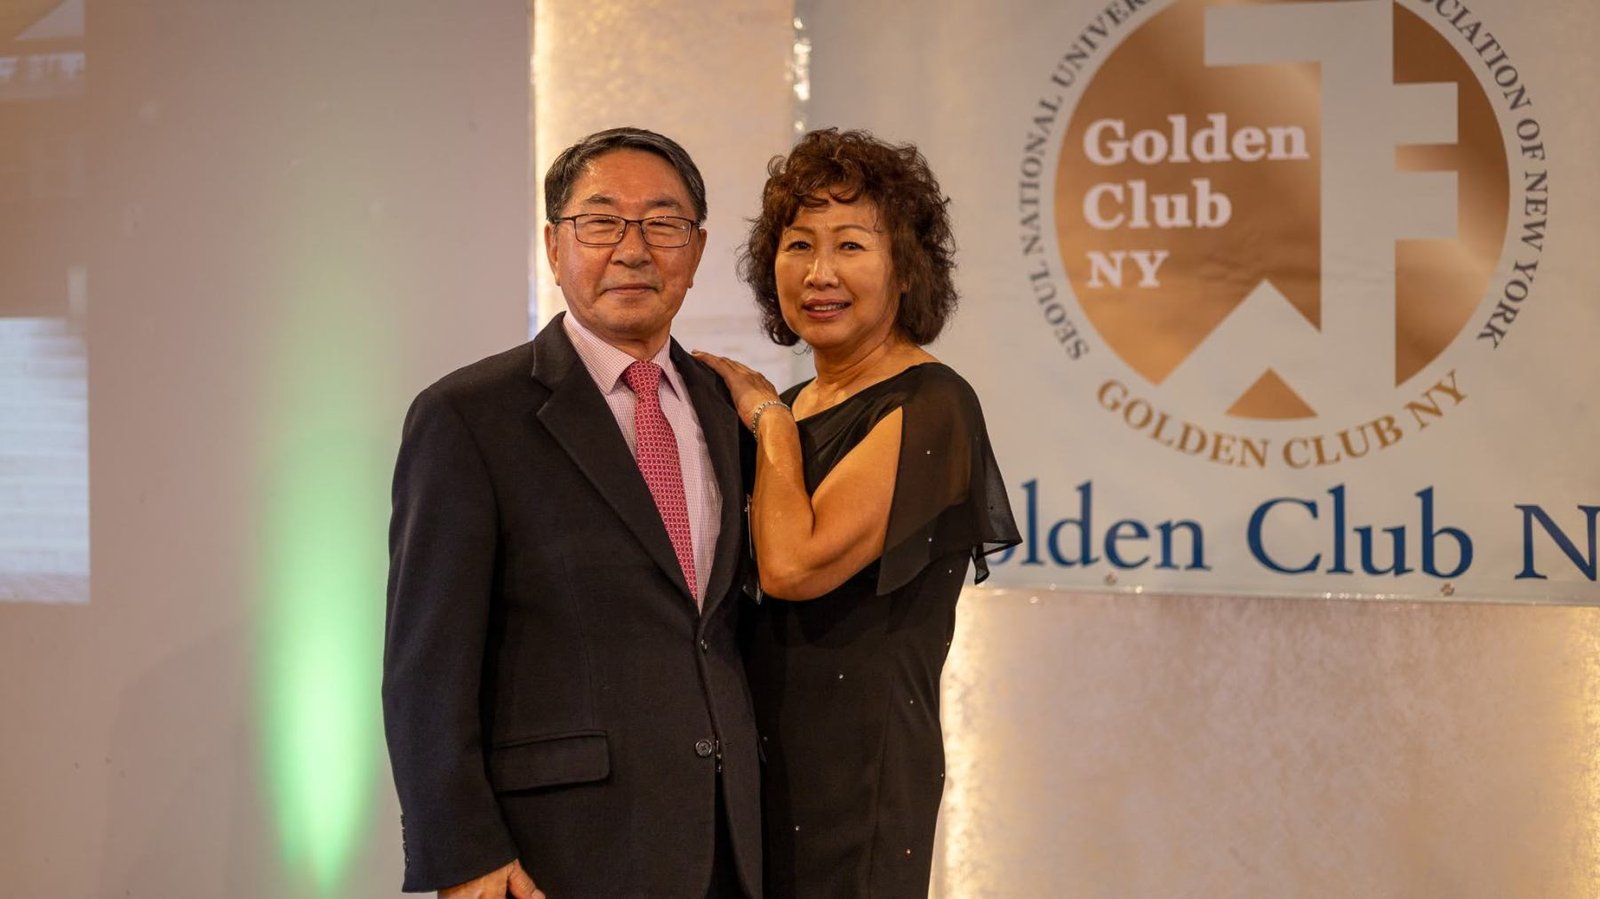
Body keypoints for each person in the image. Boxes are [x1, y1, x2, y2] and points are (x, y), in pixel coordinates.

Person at [382, 127, 761, 898]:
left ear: (696, 249)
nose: (633, 249)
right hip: (558, 854)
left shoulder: (732, 410)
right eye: (601, 222)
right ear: (555, 246)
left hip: (728, 845)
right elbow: (427, 665)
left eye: (663, 223)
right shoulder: (470, 415)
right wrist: (464, 852)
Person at [695, 128, 1021, 897]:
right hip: (761, 763)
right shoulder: (798, 401)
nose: (820, 273)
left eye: (850, 245)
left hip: (858, 777)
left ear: (904, 268)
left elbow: (792, 565)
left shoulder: (934, 402)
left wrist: (769, 420)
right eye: (798, 245)